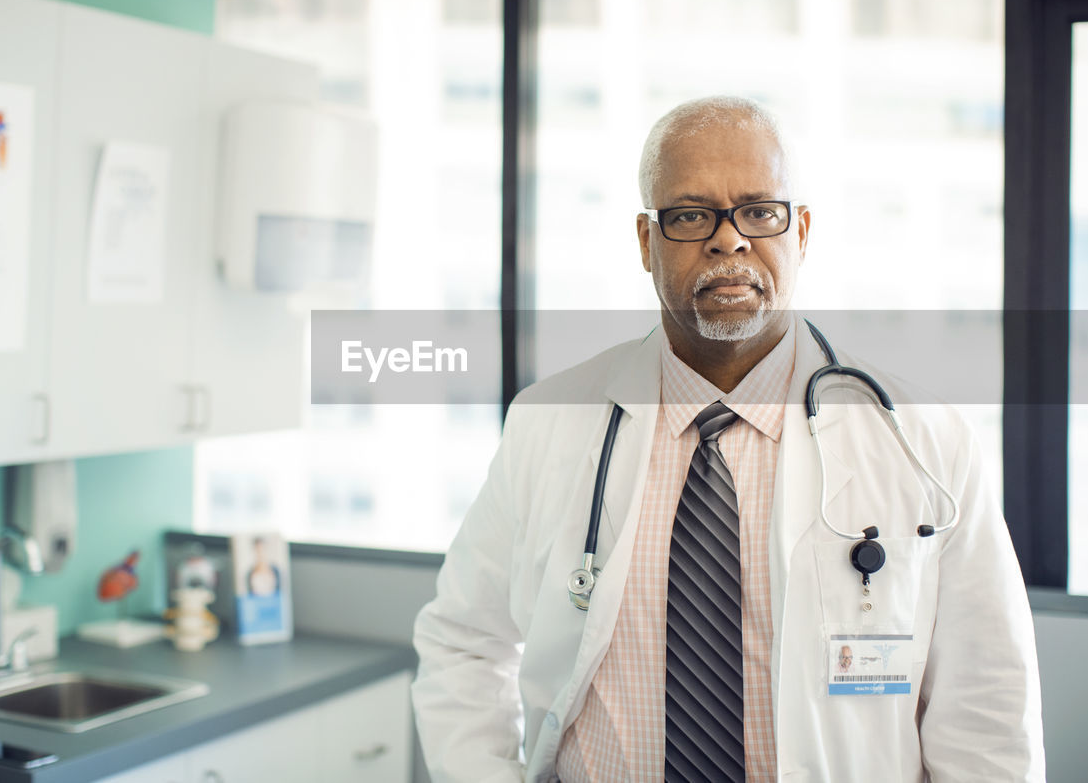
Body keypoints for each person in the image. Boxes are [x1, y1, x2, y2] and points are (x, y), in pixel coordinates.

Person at [411, 95, 1044, 782]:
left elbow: (986, 704)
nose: (729, 239)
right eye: (689, 214)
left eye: (759, 211)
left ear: (800, 231)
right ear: (646, 243)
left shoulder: (924, 439)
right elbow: (464, 643)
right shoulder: (548, 420)